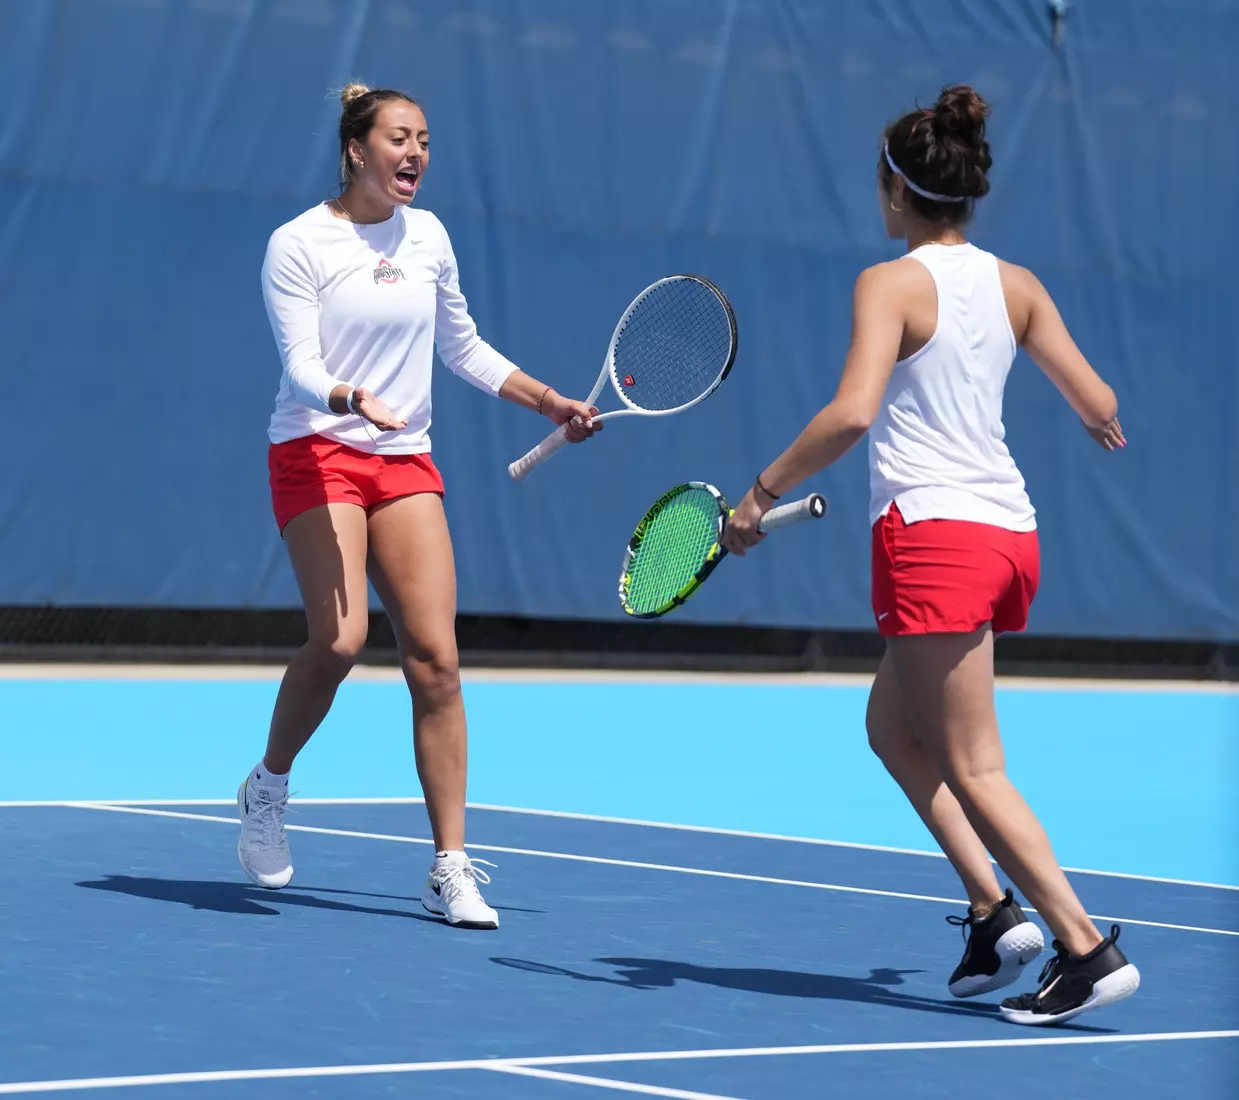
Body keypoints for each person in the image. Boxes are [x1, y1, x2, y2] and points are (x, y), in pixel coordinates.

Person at [722, 86, 1140, 1025]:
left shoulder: (889, 283)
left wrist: (758, 496)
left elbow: (852, 411)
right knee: (893, 730)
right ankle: (995, 915)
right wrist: (1097, 419)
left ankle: (1082, 947)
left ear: (894, 191)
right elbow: (1099, 401)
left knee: (973, 763)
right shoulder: (1018, 285)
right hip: (1006, 537)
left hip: (934, 539)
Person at [238, 82, 601, 930]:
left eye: (426, 141)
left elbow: (463, 345)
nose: (416, 155)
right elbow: (296, 363)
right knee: (338, 640)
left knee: (435, 659)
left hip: (402, 460)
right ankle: (268, 787)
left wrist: (546, 400)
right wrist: (349, 396)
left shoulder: (428, 235)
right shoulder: (297, 243)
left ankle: (448, 866)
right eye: (400, 138)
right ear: (356, 148)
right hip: (317, 448)